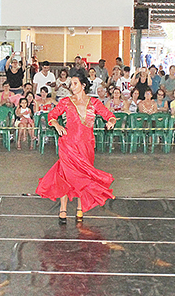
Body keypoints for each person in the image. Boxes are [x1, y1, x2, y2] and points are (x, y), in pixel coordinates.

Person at [36, 73, 117, 223]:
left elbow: (110, 115)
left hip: (86, 145)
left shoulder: (94, 103)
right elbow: (52, 115)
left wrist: (111, 122)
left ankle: (80, 209)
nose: (71, 86)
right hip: (69, 145)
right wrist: (57, 125)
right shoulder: (66, 102)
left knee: (83, 177)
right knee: (65, 176)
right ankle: (63, 211)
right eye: (71, 84)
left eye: (74, 83)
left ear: (83, 85)